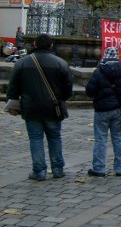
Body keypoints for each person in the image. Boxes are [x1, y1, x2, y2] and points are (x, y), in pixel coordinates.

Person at [6, 34, 73, 180]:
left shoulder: (22, 63)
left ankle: (39, 171)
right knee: (55, 137)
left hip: (31, 107)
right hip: (53, 108)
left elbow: (13, 87)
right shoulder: (61, 63)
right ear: (51, 46)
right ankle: (57, 168)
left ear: (35, 44)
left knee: (35, 139)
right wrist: (63, 98)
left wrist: (13, 101)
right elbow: (68, 88)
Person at [85, 47, 121, 176]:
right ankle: (119, 168)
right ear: (118, 57)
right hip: (119, 110)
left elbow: (89, 92)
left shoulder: (98, 72)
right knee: (118, 139)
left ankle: (99, 168)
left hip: (101, 110)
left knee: (100, 140)